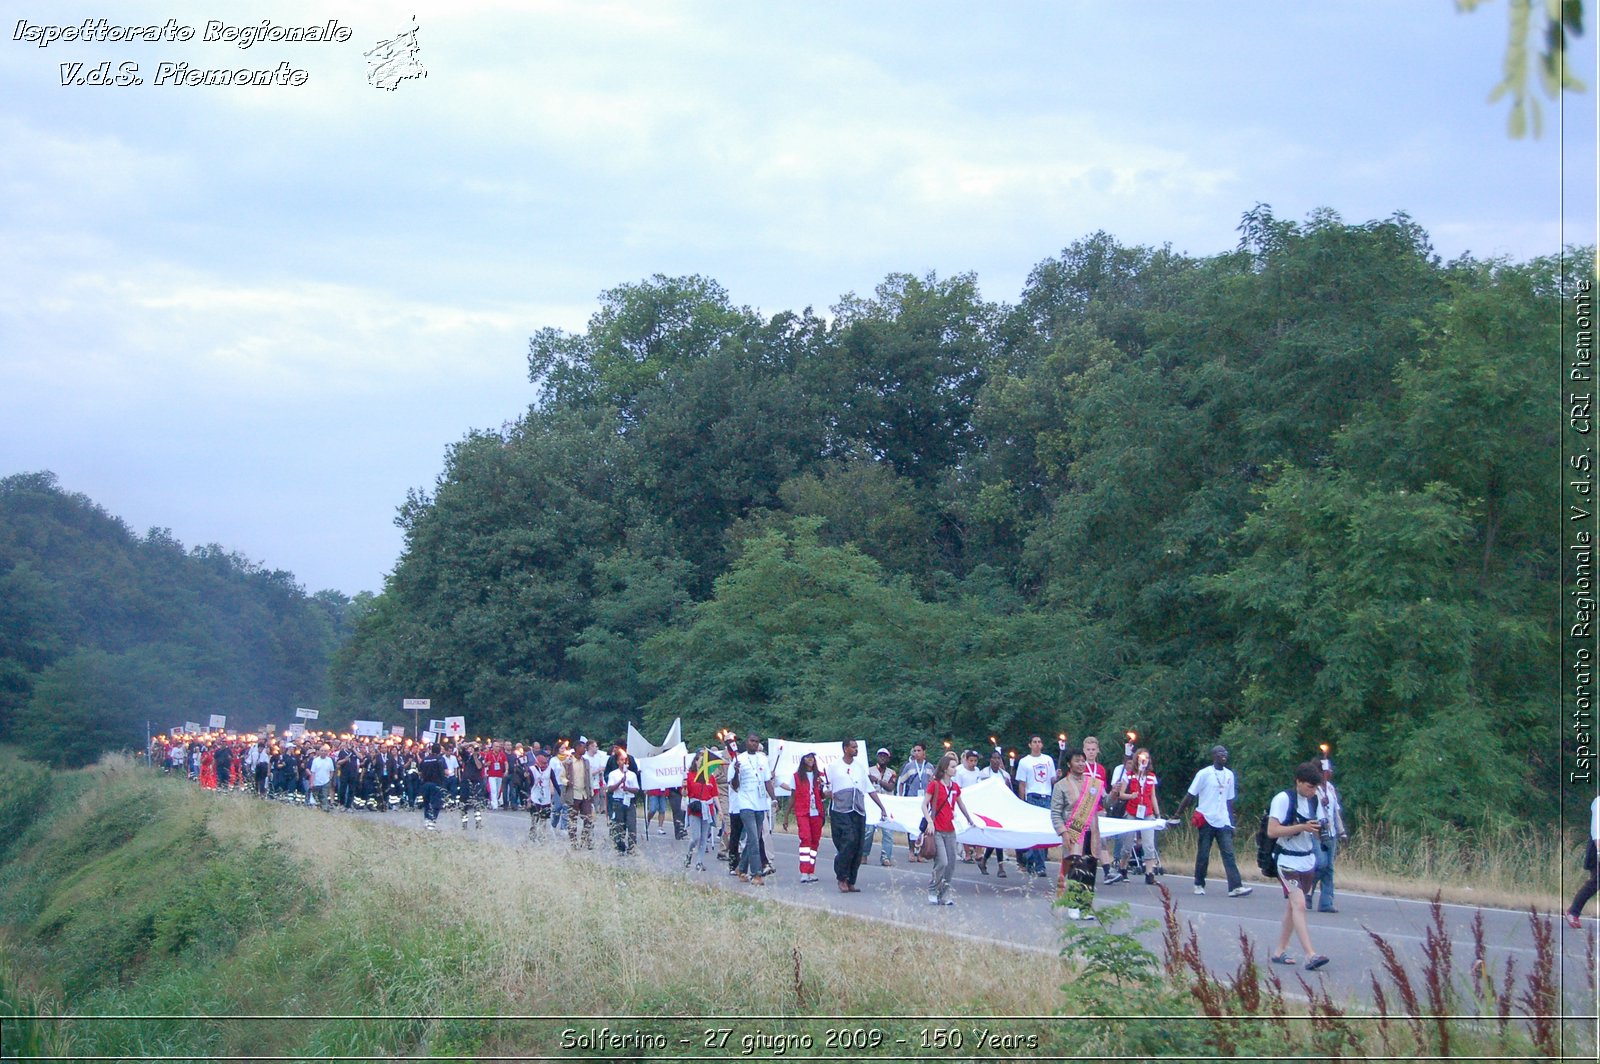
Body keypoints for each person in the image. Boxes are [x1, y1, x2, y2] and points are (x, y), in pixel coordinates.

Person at [1266, 762, 1330, 970]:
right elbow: (1272, 831)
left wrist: (1322, 830)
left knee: (1293, 907)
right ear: (1299, 782)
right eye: (1309, 787)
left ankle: (1279, 951)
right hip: (1286, 860)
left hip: (1307, 860)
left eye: (1315, 787)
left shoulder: (1316, 800)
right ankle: (1310, 955)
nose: (1312, 791)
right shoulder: (1283, 799)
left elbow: (1319, 829)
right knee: (1300, 905)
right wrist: (1302, 827)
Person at [1173, 745, 1252, 897]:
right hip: (1206, 818)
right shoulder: (1204, 774)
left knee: (1228, 853)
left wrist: (1232, 822)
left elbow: (1229, 801)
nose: (1224, 755)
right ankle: (1199, 883)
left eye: (1225, 753)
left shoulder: (1229, 775)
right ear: (1214, 756)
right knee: (1203, 853)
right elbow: (1190, 795)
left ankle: (1235, 886)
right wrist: (1177, 814)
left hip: (1223, 820)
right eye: (1220, 753)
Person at [825, 738, 889, 893]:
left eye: (857, 747)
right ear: (845, 748)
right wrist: (827, 793)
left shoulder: (860, 768)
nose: (856, 749)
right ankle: (842, 877)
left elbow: (870, 789)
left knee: (858, 845)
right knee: (848, 841)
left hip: (858, 810)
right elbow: (826, 788)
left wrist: (882, 807)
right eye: (853, 747)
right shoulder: (833, 767)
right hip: (841, 810)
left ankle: (851, 880)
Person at [1051, 749, 1105, 920]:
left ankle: (1085, 906)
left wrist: (1115, 793)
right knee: (1076, 868)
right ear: (1069, 764)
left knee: (1090, 869)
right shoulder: (1061, 785)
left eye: (1083, 761)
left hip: (1092, 833)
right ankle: (1073, 905)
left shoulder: (1094, 784)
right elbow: (1055, 813)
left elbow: (1106, 803)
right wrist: (1063, 833)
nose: (1081, 764)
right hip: (1073, 833)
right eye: (1077, 761)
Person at [923, 753, 975, 906]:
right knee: (942, 862)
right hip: (937, 829)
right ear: (945, 769)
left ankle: (943, 893)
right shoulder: (935, 784)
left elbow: (960, 804)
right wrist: (929, 821)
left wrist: (969, 818)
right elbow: (924, 804)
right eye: (952, 767)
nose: (955, 770)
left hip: (950, 830)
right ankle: (933, 888)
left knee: (951, 864)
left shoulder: (955, 787)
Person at [1112, 747, 1164, 884]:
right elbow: (1121, 794)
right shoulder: (1129, 775)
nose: (1144, 760)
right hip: (1132, 811)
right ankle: (1123, 867)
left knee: (1148, 844)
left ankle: (1149, 873)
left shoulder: (1151, 776)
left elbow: (1152, 796)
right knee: (1128, 845)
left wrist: (1157, 814)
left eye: (1146, 758)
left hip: (1147, 812)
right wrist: (1131, 796)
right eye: (1142, 758)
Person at [730, 734, 774, 884]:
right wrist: (736, 772)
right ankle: (756, 874)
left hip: (760, 804)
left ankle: (741, 868)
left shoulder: (763, 759)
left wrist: (773, 798)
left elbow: (767, 780)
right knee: (754, 839)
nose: (754, 744)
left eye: (757, 742)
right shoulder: (738, 760)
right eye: (752, 741)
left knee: (753, 839)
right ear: (746, 742)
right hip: (746, 804)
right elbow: (734, 786)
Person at [1015, 735, 1058, 877]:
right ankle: (1039, 865)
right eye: (1034, 742)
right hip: (1032, 796)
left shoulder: (1048, 760)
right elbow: (1022, 783)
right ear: (1030, 745)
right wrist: (1022, 802)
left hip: (1046, 796)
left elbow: (1052, 780)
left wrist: (1057, 776)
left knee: (1043, 831)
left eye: (1039, 742)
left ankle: (1029, 857)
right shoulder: (1025, 762)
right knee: (1035, 830)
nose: (1037, 744)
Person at [1308, 758, 1347, 913]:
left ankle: (1326, 902)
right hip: (1317, 830)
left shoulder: (1330, 788)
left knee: (1329, 867)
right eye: (1326, 770)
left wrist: (1341, 831)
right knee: (1321, 863)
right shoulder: (1312, 789)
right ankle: (1307, 889)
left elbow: (1335, 811)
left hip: (1330, 831)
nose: (1329, 773)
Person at [792, 751, 827, 883]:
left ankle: (811, 870)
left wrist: (826, 792)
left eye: (812, 757)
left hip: (816, 812)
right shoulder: (796, 777)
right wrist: (786, 816)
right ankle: (804, 871)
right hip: (803, 812)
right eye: (807, 757)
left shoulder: (819, 776)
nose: (810, 759)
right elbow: (793, 796)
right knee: (805, 839)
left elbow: (822, 794)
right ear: (803, 760)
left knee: (815, 841)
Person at [683, 748, 720, 871]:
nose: (702, 763)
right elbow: (684, 793)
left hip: (707, 808)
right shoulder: (690, 775)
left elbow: (714, 794)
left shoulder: (710, 777)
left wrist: (720, 810)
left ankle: (699, 861)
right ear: (696, 761)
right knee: (696, 837)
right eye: (700, 760)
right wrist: (684, 786)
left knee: (704, 837)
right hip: (695, 807)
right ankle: (688, 855)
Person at [898, 744, 934, 862]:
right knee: (911, 825)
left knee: (923, 825)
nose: (916, 753)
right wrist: (901, 796)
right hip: (912, 799)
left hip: (925, 799)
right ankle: (911, 850)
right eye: (915, 751)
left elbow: (933, 783)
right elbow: (901, 781)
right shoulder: (909, 766)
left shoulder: (929, 767)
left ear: (924, 752)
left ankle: (921, 852)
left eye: (919, 750)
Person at [1568, 794, 1599, 929]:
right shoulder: (1598, 803)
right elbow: (1596, 831)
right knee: (1596, 882)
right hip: (1597, 848)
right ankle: (1572, 912)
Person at [976, 750, 1010, 878]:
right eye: (994, 758)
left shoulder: (1005, 775)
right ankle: (1000, 867)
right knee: (996, 837)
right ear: (990, 760)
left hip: (1001, 808)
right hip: (989, 808)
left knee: (998, 837)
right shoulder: (984, 774)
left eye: (998, 758)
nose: (996, 760)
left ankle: (984, 861)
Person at [865, 748, 898, 866]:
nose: (882, 758)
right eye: (880, 755)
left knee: (888, 832)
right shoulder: (869, 771)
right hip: (872, 803)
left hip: (887, 804)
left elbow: (890, 787)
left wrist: (878, 781)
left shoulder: (891, 772)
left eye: (885, 756)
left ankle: (886, 857)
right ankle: (864, 854)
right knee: (868, 831)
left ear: (888, 758)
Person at [561, 741, 596, 849]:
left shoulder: (586, 762)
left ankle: (585, 840)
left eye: (585, 748)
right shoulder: (568, 762)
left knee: (588, 818)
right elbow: (562, 777)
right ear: (576, 748)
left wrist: (592, 792)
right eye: (582, 747)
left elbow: (589, 777)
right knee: (573, 819)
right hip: (573, 794)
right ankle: (573, 842)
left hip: (584, 794)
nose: (584, 749)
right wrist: (567, 782)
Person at [606, 749, 641, 853]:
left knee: (631, 824)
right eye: (621, 760)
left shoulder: (632, 775)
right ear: (617, 762)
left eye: (626, 760)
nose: (624, 762)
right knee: (619, 824)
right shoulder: (613, 774)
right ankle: (620, 846)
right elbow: (610, 789)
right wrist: (620, 783)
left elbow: (636, 789)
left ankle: (632, 847)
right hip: (618, 801)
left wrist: (628, 789)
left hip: (629, 801)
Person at [526, 749, 556, 839]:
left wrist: (560, 794)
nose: (545, 760)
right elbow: (529, 783)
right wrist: (528, 796)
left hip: (545, 796)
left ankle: (542, 833)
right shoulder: (532, 769)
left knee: (544, 816)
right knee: (535, 816)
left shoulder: (549, 769)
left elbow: (554, 781)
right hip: (535, 794)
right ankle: (533, 832)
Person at [418, 742, 447, 829]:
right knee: (436, 804)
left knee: (427, 803)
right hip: (436, 784)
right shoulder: (440, 759)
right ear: (439, 751)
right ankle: (432, 822)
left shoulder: (425, 759)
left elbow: (419, 772)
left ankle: (426, 820)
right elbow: (445, 772)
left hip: (426, 784)